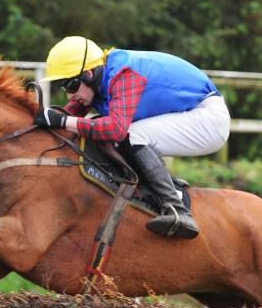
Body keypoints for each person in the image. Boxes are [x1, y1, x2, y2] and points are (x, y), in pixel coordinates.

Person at [35, 36, 231, 239]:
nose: (69, 95)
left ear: (89, 74)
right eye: (64, 87)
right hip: (190, 113)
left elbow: (115, 129)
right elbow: (65, 117)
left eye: (71, 86)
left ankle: (177, 209)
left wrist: (62, 121)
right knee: (100, 127)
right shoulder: (97, 80)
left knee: (130, 134)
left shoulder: (123, 74)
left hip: (208, 118)